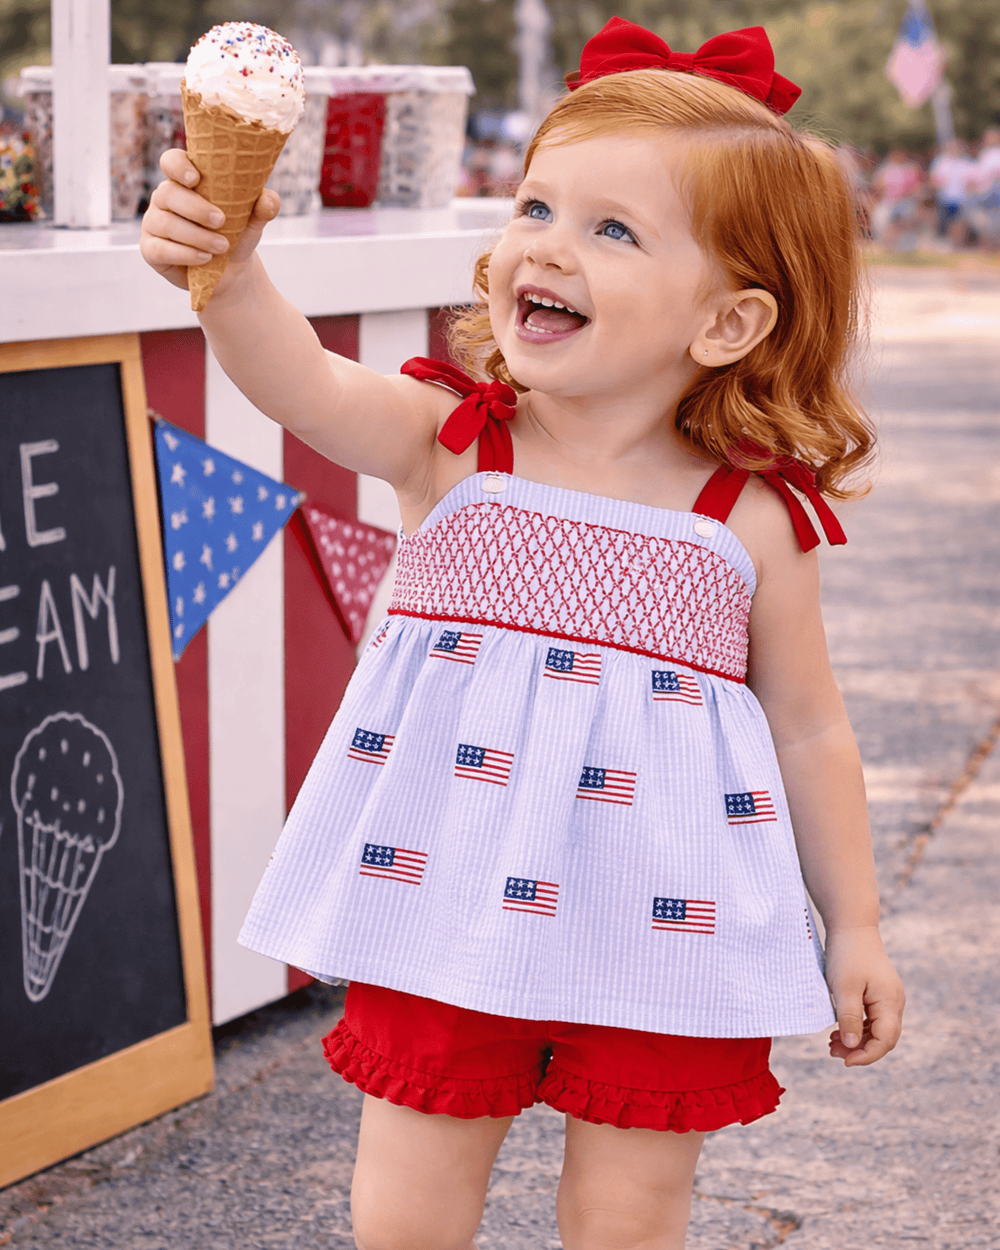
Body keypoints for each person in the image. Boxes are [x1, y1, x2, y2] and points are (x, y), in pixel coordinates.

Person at [141, 18, 904, 1250]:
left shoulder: (749, 517)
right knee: (404, 1207)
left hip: (670, 906)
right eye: (536, 205)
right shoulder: (449, 442)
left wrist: (854, 922)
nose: (545, 246)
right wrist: (227, 273)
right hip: (444, 888)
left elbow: (810, 725)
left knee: (629, 1214)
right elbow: (297, 380)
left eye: (612, 230)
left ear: (726, 323)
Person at [929, 137, 974, 246]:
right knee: (945, 222)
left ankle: (956, 244)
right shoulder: (941, 162)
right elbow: (934, 179)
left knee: (959, 222)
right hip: (944, 197)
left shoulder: (966, 162)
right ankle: (945, 243)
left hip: (961, 198)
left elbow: (972, 180)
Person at [966, 127, 1000, 251]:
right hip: (984, 192)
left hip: (994, 191)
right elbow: (979, 174)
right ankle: (990, 244)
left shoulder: (995, 153)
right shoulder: (985, 154)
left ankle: (993, 244)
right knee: (983, 218)